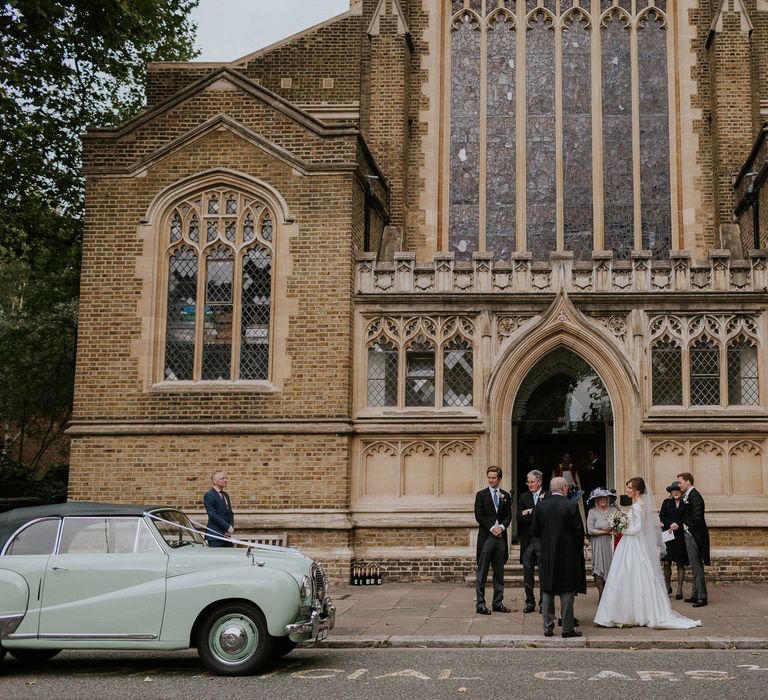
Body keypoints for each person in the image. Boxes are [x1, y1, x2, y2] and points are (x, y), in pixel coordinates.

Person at [594, 476, 701, 629]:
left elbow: (637, 528)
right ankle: (632, 612)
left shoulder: (638, 506)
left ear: (637, 490)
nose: (628, 490)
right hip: (633, 544)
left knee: (628, 575)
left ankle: (628, 613)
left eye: (630, 488)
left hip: (632, 544)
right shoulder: (639, 504)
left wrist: (620, 529)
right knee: (631, 576)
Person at [532, 476, 585, 638]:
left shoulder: (540, 506)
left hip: (547, 552)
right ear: (565, 489)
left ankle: (548, 628)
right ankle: (567, 629)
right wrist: (577, 550)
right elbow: (579, 532)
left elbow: (534, 531)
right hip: (567, 552)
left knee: (547, 589)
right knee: (567, 590)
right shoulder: (571, 505)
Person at [474, 466, 512, 614]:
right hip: (487, 537)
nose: (491, 480)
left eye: (494, 478)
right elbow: (479, 515)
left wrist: (501, 527)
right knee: (482, 572)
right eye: (489, 477)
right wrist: (492, 528)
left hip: (500, 538)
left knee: (499, 572)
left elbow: (508, 515)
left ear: (499, 478)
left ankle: (498, 602)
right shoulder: (481, 495)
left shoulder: (506, 495)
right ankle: (480, 604)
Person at [676, 472, 710, 607]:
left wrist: (688, 528)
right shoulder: (688, 496)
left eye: (680, 482)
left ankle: (702, 597)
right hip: (691, 534)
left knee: (697, 566)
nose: (679, 485)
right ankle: (696, 595)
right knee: (694, 566)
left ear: (688, 482)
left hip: (694, 535)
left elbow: (698, 516)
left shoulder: (695, 496)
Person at [517, 469, 544, 613]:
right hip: (528, 541)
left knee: (543, 574)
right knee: (527, 573)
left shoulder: (548, 496)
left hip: (542, 540)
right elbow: (519, 518)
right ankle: (529, 602)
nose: (529, 484)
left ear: (539, 482)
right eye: (528, 482)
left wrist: (530, 512)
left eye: (532, 482)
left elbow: (546, 517)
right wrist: (531, 514)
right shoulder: (523, 497)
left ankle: (543, 603)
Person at [586, 487, 616, 601]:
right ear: (596, 499)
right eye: (600, 498)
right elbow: (590, 530)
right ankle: (602, 596)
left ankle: (612, 596)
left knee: (613, 567)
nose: (603, 499)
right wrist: (604, 532)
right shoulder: (592, 512)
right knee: (599, 568)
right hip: (598, 543)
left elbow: (621, 526)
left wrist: (614, 530)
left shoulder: (614, 510)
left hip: (612, 542)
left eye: (605, 497)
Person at [660, 481, 688, 600]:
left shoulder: (686, 504)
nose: (676, 492)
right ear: (671, 492)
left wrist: (678, 524)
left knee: (680, 563)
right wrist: (670, 523)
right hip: (668, 535)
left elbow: (688, 518)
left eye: (678, 490)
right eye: (673, 490)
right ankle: (667, 586)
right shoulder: (666, 503)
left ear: (682, 491)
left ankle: (679, 590)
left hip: (680, 536)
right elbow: (662, 516)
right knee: (667, 562)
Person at [203, 471, 235, 547]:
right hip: (215, 536)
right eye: (222, 478)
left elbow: (230, 513)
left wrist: (230, 528)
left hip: (226, 535)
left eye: (226, 478)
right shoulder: (209, 495)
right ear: (215, 481)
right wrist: (227, 527)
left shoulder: (226, 495)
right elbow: (213, 515)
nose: (225, 480)